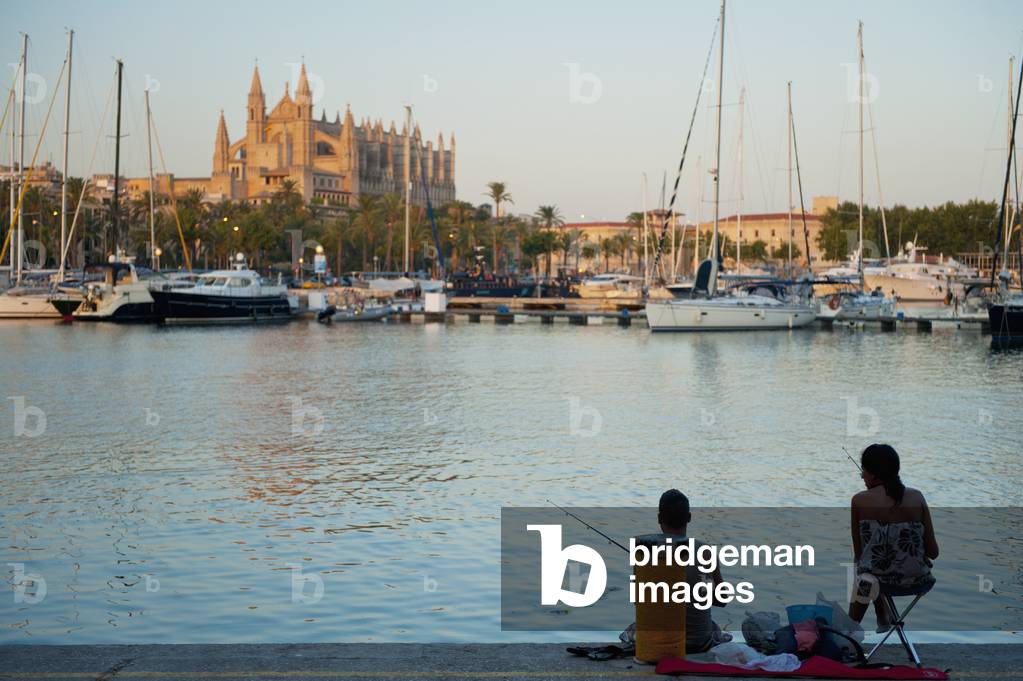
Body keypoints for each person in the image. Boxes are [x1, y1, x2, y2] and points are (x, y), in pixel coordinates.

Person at [627, 489, 731, 653]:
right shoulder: (705, 551)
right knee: (715, 628)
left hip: (657, 644)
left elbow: (638, 601)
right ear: (689, 518)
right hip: (698, 644)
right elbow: (722, 599)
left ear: (659, 518)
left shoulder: (643, 549)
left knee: (632, 630)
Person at [848, 444, 939, 628]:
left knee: (867, 573)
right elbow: (933, 552)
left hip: (876, 583)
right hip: (918, 581)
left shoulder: (859, 500)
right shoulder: (917, 497)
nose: (861, 475)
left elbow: (860, 555)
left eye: (863, 470)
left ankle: (853, 628)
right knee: (874, 571)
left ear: (873, 474)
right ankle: (881, 612)